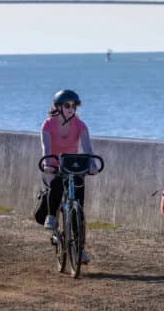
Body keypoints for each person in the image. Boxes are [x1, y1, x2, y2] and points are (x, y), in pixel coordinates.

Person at [40, 89, 98, 264]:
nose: (71, 108)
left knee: (77, 209)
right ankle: (51, 217)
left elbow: (88, 149)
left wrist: (92, 165)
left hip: (73, 166)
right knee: (57, 185)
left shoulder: (81, 125)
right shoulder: (48, 125)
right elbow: (46, 149)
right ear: (58, 107)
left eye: (74, 105)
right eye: (67, 105)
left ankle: (79, 251)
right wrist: (48, 164)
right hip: (55, 166)